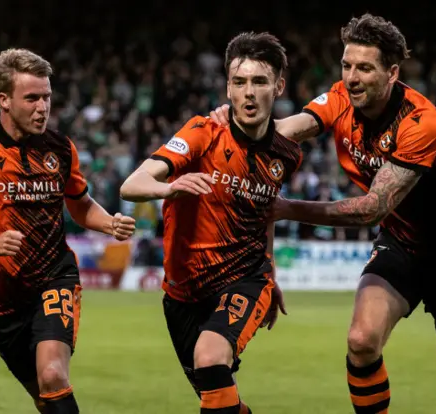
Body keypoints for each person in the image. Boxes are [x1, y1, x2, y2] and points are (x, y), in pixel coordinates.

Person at [210, 14, 436, 414]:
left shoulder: (423, 125)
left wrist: (285, 208)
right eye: (347, 66)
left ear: (392, 73)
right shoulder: (339, 98)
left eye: (364, 68)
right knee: (362, 340)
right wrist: (231, 126)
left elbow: (371, 208)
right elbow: (284, 128)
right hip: (401, 242)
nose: (352, 77)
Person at [0, 48, 136, 414]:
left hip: (53, 278)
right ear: (4, 100)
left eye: (47, 97)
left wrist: (109, 222)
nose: (42, 107)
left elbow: (80, 205)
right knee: (45, 397)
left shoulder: (59, 149)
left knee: (53, 374)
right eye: (31, 98)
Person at [120, 32, 302, 414]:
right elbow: (131, 185)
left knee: (209, 357)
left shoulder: (285, 154)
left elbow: (263, 212)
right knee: (219, 398)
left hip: (244, 278)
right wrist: (169, 189)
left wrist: (270, 272)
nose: (248, 93)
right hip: (182, 293)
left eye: (259, 81)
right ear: (228, 88)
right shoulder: (204, 133)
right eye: (239, 82)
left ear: (279, 86)